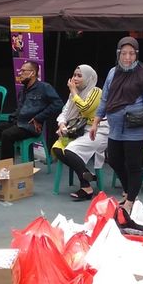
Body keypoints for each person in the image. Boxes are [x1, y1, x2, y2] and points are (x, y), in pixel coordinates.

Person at [89, 36, 143, 219]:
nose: (128, 57)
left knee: (134, 165)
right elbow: (104, 99)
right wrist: (96, 122)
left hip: (135, 128)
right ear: (118, 54)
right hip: (115, 127)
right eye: (124, 53)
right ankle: (130, 192)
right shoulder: (113, 72)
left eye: (132, 53)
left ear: (137, 54)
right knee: (114, 159)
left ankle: (130, 200)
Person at [0, 60, 62, 176]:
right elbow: (20, 109)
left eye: (23, 71)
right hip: (18, 123)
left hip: (31, 126)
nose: (20, 73)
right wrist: (12, 117)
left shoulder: (44, 87)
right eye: (20, 71)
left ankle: (6, 169)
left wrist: (40, 117)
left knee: (7, 134)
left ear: (33, 73)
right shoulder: (23, 90)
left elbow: (58, 104)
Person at [52, 64, 108, 201]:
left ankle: (86, 187)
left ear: (88, 77)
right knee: (58, 149)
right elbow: (65, 111)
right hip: (80, 130)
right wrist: (62, 124)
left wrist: (73, 92)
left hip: (99, 131)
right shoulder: (75, 93)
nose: (75, 78)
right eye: (74, 75)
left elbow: (85, 108)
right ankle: (87, 173)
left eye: (79, 75)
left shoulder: (96, 91)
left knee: (71, 151)